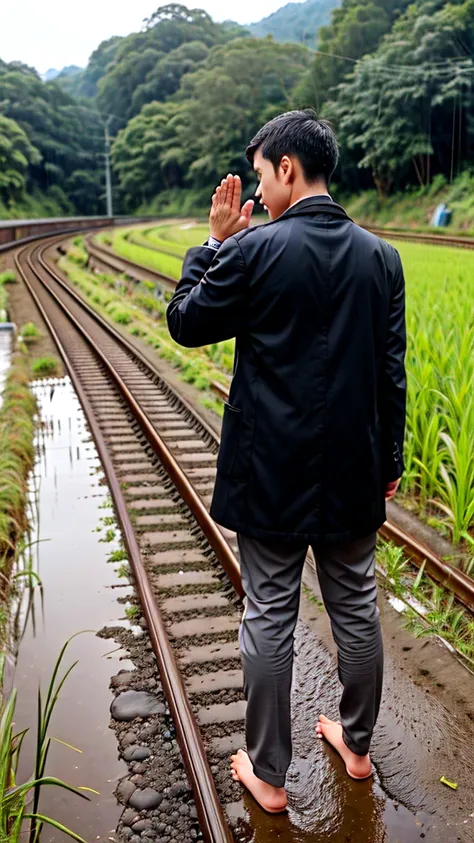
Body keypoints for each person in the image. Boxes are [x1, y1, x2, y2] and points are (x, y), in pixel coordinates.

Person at [166, 109, 406, 814]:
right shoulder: (380, 256)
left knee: (269, 612)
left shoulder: (253, 250)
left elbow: (185, 322)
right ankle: (356, 747)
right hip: (353, 467)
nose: (259, 190)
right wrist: (387, 458)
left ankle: (268, 775)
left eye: (263, 174)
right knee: (356, 607)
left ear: (287, 169)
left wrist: (211, 245)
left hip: (268, 468)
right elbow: (392, 371)